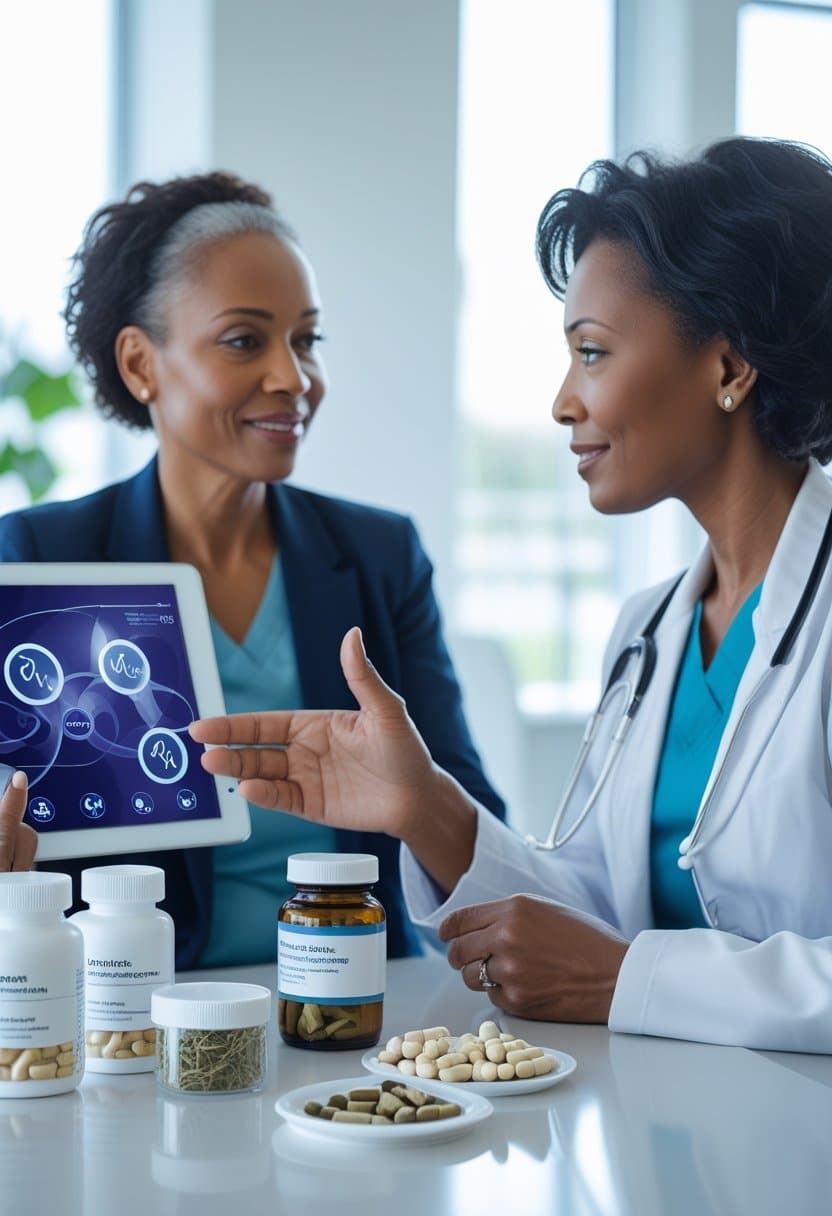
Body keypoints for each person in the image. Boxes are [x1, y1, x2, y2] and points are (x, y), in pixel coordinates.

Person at [192, 137, 832, 1052]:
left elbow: (611, 966)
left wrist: (629, 978)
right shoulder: (649, 630)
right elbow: (587, 924)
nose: (564, 402)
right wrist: (425, 806)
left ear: (729, 369)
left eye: (593, 353)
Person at [0, 171, 505, 966]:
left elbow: (481, 852)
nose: (293, 378)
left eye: (306, 340)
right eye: (245, 340)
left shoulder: (380, 557)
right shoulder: (39, 558)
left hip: (357, 1001)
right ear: (140, 363)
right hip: (143, 1006)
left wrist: (416, 801)